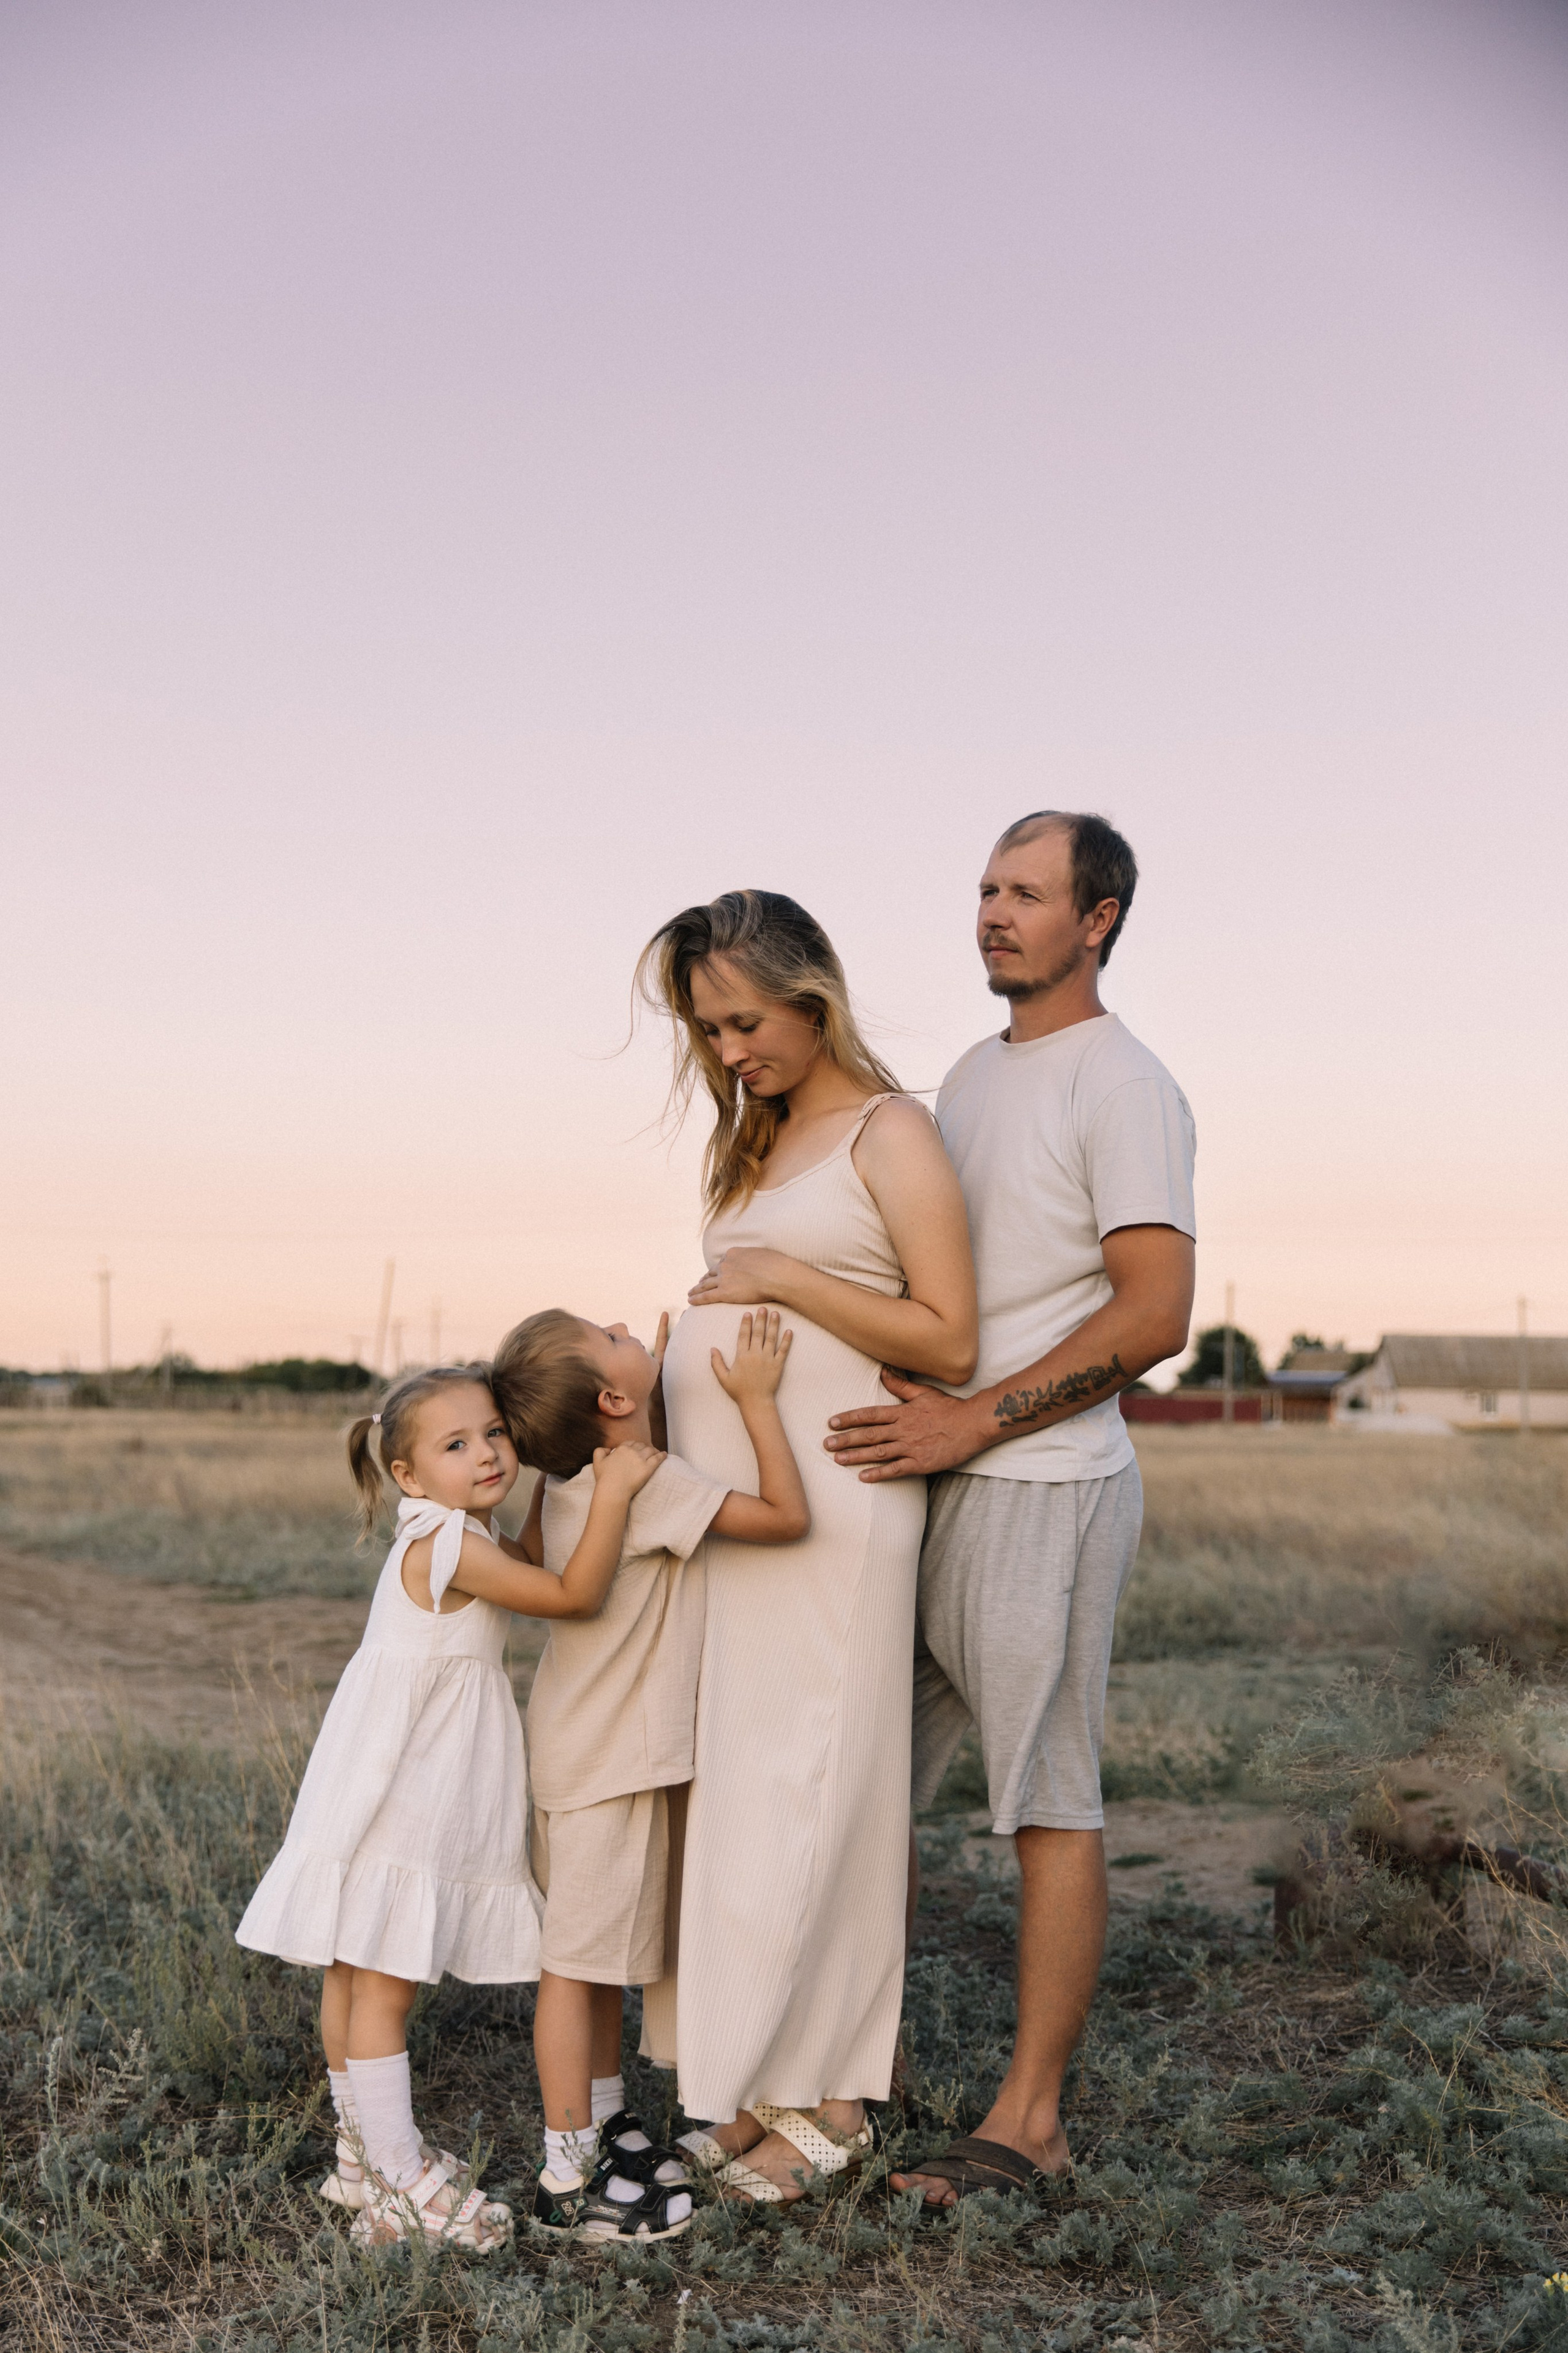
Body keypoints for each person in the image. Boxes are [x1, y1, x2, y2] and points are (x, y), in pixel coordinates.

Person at [824, 811, 1196, 2205]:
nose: (993, 912)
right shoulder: (968, 1075)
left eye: (1026, 893)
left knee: (1044, 1801)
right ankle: (839, 2079)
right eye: (984, 888)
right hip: (927, 1481)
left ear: (1094, 919)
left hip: (1043, 1489)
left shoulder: (1125, 1082)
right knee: (868, 1793)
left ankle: (1026, 2123)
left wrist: (971, 1418)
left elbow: (1153, 1312)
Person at [636, 889, 979, 2202]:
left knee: (821, 1783)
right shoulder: (761, 1143)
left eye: (741, 1021)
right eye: (708, 1032)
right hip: (736, 1516)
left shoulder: (892, 1130)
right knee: (742, 1787)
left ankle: (835, 2096)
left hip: (837, 1505)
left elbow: (946, 1338)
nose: (728, 1052)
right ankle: (756, 2073)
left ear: (810, 994)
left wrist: (780, 1281)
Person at [235, 1362, 664, 2251]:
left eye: (496, 1434)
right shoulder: (451, 1542)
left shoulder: (461, 1528)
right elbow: (572, 1595)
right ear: (407, 1473)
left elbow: (539, 1564)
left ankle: (361, 2160)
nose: (487, 1453)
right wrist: (616, 1486)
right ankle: (398, 2175)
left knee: (354, 1971)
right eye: (457, 1443)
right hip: (411, 1785)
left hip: (381, 1772)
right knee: (382, 1981)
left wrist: (550, 1475)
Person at [489, 1304, 809, 2240]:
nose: (627, 1320)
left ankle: (604, 2120)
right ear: (614, 1396)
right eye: (611, 1330)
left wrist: (653, 1383)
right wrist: (755, 1400)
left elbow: (616, 1479)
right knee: (574, 1971)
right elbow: (786, 1517)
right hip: (616, 1765)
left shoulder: (569, 1484)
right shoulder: (653, 1481)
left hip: (570, 1745)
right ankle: (567, 2172)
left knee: (584, 1964)